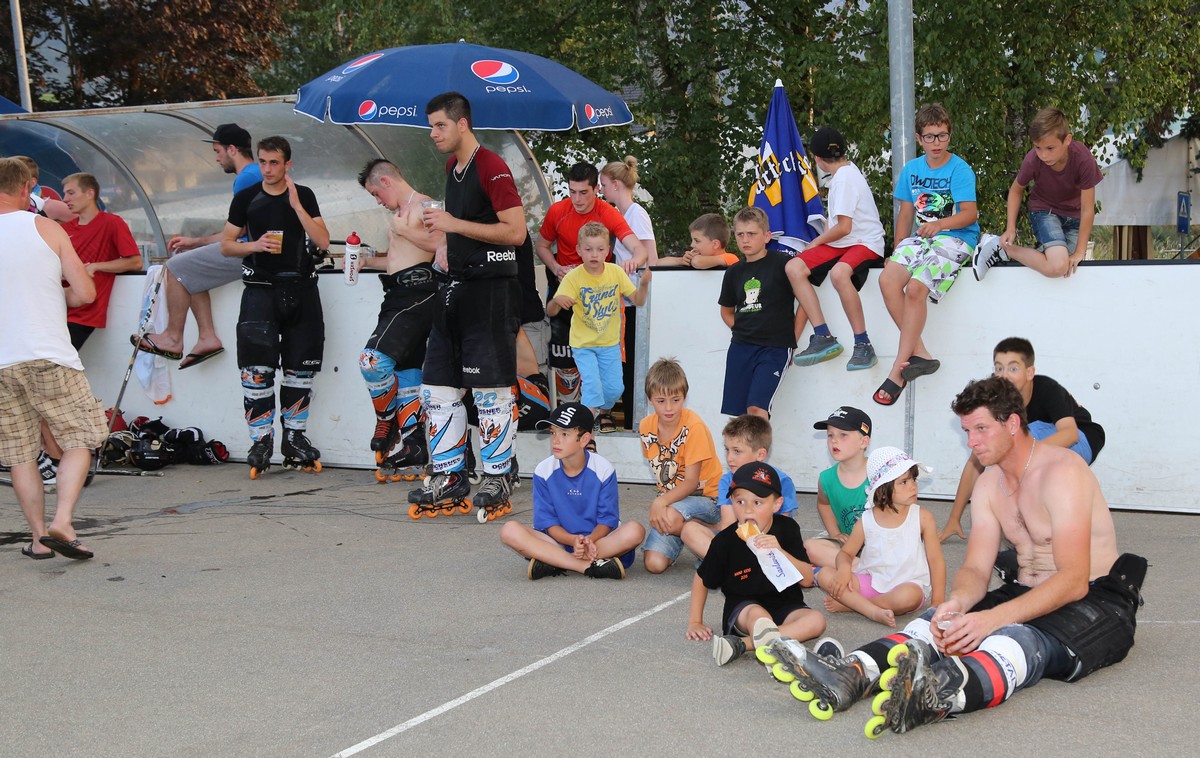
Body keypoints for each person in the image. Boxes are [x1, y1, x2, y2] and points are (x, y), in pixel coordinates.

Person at [764, 375, 1145, 736]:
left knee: (1014, 639)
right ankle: (850, 673)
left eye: (981, 429)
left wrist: (992, 619)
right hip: (1025, 591)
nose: (971, 442)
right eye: (966, 431)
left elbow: (1074, 580)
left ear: (1013, 423)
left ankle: (935, 695)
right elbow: (977, 567)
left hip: (1095, 599)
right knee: (935, 623)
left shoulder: (1063, 472)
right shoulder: (990, 482)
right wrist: (957, 603)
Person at [408, 92, 527, 513]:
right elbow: (463, 227)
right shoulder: (451, 167)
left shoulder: (491, 166)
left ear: (462, 124)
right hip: (454, 288)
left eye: (440, 125)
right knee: (437, 386)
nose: (433, 133)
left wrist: (453, 224)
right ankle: (449, 475)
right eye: (431, 126)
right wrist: (445, 238)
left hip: (491, 291)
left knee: (491, 390)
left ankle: (498, 476)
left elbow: (516, 232)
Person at [0, 157, 106, 560]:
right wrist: (53, 294)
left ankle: (37, 538)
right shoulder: (46, 227)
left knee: (20, 454)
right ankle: (62, 521)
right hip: (48, 353)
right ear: (26, 188)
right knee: (80, 438)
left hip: (2, 360)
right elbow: (85, 294)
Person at [220, 136, 330, 474]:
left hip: (301, 289)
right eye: (263, 162)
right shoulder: (245, 197)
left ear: (287, 165)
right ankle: (261, 441)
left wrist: (297, 207)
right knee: (256, 370)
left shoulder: (304, 194)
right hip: (260, 291)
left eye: (274, 163)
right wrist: (253, 245)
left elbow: (323, 240)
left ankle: (294, 438)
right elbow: (226, 245)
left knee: (301, 369)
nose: (267, 169)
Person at [939, 336, 1106, 542]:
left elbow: (1070, 434)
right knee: (997, 445)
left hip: (1082, 437)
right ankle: (1033, 521)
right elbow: (975, 462)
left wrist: (1022, 454)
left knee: (1016, 441)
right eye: (999, 368)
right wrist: (954, 518)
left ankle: (1045, 521)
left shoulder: (1047, 388)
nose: (1004, 375)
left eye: (1013, 368)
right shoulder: (997, 397)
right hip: (1042, 442)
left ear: (1029, 372)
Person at [874, 103, 979, 406]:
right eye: (930, 137)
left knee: (915, 289)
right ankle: (920, 353)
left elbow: (970, 214)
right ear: (919, 139)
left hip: (957, 237)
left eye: (942, 136)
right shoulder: (912, 170)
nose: (937, 143)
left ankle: (898, 370)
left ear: (949, 135)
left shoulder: (960, 169)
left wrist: (940, 225)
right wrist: (897, 249)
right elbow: (906, 214)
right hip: (923, 238)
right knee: (887, 280)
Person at [134, 124, 262, 368]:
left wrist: (196, 242)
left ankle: (173, 338)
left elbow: (240, 230)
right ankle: (206, 338)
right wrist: (195, 244)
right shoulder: (254, 173)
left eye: (217, 151)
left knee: (175, 267)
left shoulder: (247, 177)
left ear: (232, 149)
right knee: (190, 269)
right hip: (255, 248)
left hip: (251, 252)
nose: (216, 158)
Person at [686, 462, 825, 666]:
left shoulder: (787, 529)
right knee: (759, 616)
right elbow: (702, 578)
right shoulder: (725, 540)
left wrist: (780, 551)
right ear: (731, 501)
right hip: (745, 610)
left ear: (777, 504)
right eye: (740, 501)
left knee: (817, 621)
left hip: (786, 606)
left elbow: (807, 579)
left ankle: (741, 645)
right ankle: (772, 640)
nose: (748, 509)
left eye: (758, 502)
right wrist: (695, 621)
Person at [536, 162, 649, 405]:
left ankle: (598, 413)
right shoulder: (558, 211)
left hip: (599, 291)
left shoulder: (608, 212)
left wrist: (634, 262)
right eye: (572, 192)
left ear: (597, 189)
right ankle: (572, 411)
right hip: (568, 284)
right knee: (565, 362)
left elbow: (639, 249)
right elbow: (542, 246)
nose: (577, 199)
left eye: (583, 192)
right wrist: (556, 268)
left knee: (605, 370)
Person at [354, 159, 439, 473]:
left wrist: (404, 230)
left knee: (372, 361)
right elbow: (399, 259)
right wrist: (367, 261)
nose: (378, 201)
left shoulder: (425, 205)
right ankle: (414, 444)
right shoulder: (401, 213)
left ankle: (386, 419)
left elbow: (443, 243)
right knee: (407, 371)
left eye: (376, 193)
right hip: (397, 294)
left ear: (386, 181)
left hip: (419, 294)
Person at [499, 402, 645, 580]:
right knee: (509, 530)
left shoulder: (603, 469)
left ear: (584, 440)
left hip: (597, 541)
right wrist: (572, 540)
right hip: (557, 541)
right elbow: (548, 523)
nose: (555, 440)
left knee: (635, 530)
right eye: (553, 432)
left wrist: (589, 540)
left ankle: (553, 560)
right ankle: (585, 566)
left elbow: (607, 521)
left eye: (564, 434)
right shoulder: (543, 471)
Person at [815, 446, 946, 627]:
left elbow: (936, 560)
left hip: (908, 584)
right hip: (872, 581)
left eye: (913, 479)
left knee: (908, 597)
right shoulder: (866, 520)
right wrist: (844, 570)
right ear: (882, 490)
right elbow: (846, 553)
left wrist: (937, 601)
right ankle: (870, 608)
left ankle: (855, 605)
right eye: (904, 482)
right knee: (824, 575)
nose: (913, 486)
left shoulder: (923, 517)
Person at [789, 127, 886, 372]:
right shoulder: (845, 172)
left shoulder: (843, 179)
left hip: (865, 242)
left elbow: (844, 227)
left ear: (817, 159)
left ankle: (863, 343)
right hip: (845, 242)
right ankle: (823, 335)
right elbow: (838, 227)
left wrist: (816, 243)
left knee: (839, 274)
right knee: (794, 267)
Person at [974, 107, 1104, 281]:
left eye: (1050, 148)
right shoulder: (1033, 160)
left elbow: (1088, 210)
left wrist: (1080, 251)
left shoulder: (1083, 159)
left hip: (1074, 218)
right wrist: (1010, 228)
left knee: (1065, 266)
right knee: (1058, 266)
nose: (1043, 155)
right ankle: (1000, 247)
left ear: (1067, 140)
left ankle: (1005, 253)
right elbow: (1016, 190)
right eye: (1038, 147)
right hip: (1045, 211)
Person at [545, 222, 651, 432]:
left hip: (609, 344)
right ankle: (585, 431)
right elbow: (550, 311)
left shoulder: (615, 272)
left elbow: (638, 301)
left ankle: (602, 413)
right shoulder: (573, 277)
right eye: (588, 249)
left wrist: (645, 284)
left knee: (615, 389)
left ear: (608, 251)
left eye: (600, 249)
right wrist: (557, 301)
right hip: (583, 345)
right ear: (579, 250)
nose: (594, 254)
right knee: (592, 386)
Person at [718, 206, 807, 418]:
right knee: (740, 415)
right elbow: (726, 311)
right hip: (740, 347)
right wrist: (742, 329)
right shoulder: (733, 272)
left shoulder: (784, 264)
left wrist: (792, 340)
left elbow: (806, 302)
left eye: (751, 234)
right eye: (740, 234)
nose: (745, 240)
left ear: (767, 236)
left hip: (775, 348)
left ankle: (759, 443)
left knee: (757, 409)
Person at [639, 357, 723, 574]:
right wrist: (664, 502)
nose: (669, 408)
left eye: (675, 400)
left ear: (684, 397)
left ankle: (720, 528)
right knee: (654, 564)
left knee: (670, 517)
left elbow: (692, 482)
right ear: (649, 399)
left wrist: (660, 502)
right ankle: (699, 535)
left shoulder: (694, 427)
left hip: (707, 499)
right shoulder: (646, 427)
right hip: (674, 502)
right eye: (661, 401)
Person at [680, 414, 799, 560]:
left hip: (769, 546)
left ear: (760, 454)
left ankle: (722, 565)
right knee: (689, 529)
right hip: (738, 541)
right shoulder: (727, 480)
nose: (729, 457)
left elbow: (783, 528)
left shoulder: (781, 481)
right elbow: (728, 527)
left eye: (737, 451)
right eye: (727, 449)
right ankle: (726, 565)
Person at [600, 156, 659, 429]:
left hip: (636, 302)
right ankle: (629, 419)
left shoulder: (636, 214)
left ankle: (635, 423)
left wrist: (636, 270)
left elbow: (651, 258)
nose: (601, 190)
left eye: (603, 185)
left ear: (616, 184)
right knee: (624, 363)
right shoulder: (620, 215)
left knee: (634, 363)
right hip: (624, 302)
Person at [60, 172, 144, 350]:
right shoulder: (64, 229)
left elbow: (135, 262)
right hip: (56, 308)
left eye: (71, 193)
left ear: (90, 193)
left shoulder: (112, 223)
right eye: (65, 193)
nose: (65, 199)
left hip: (84, 313)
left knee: (56, 362)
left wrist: (96, 266)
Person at [803, 406, 872, 569]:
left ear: (863, 442)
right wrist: (835, 534)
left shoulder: (879, 473)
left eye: (843, 435)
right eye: (830, 435)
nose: (834, 440)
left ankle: (856, 568)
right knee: (809, 547)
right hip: (848, 545)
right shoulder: (826, 478)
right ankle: (863, 569)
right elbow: (824, 504)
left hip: (879, 543)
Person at [12, 156, 72, 222]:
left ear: (32, 183)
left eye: (13, 179)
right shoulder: (6, 204)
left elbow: (80, 220)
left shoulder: (50, 206)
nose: (7, 183)